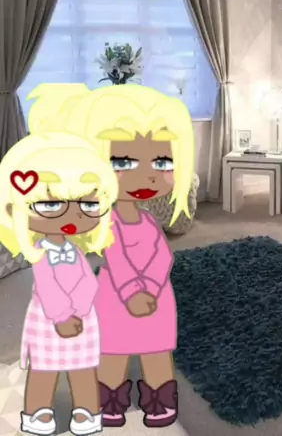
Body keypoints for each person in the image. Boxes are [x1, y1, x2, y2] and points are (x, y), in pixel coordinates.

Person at [28, 83, 195, 428]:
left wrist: (151, 287)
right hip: (117, 298)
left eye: (162, 161)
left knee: (156, 351)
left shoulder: (149, 220)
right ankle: (110, 400)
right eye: (122, 161)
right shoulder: (104, 223)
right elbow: (115, 259)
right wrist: (134, 292)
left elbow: (163, 257)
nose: (148, 174)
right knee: (113, 351)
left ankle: (159, 398)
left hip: (158, 299)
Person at [0, 131, 119, 436]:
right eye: (50, 205)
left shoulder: (75, 250)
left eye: (85, 204)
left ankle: (87, 411)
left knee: (84, 367)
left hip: (82, 317)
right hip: (50, 318)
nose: (72, 215)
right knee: (44, 369)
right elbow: (48, 288)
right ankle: (37, 413)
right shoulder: (40, 253)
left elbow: (88, 281)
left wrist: (79, 308)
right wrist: (63, 316)